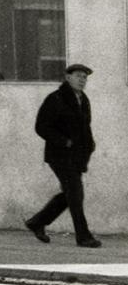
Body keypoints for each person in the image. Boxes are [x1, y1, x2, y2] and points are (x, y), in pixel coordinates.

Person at [24, 63, 100, 248]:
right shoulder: (55, 99)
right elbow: (41, 127)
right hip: (59, 155)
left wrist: (90, 146)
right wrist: (64, 141)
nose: (82, 80)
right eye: (79, 76)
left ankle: (37, 222)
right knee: (75, 193)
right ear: (67, 77)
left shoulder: (83, 99)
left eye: (85, 77)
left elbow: (85, 128)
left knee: (70, 194)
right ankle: (83, 237)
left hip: (77, 156)